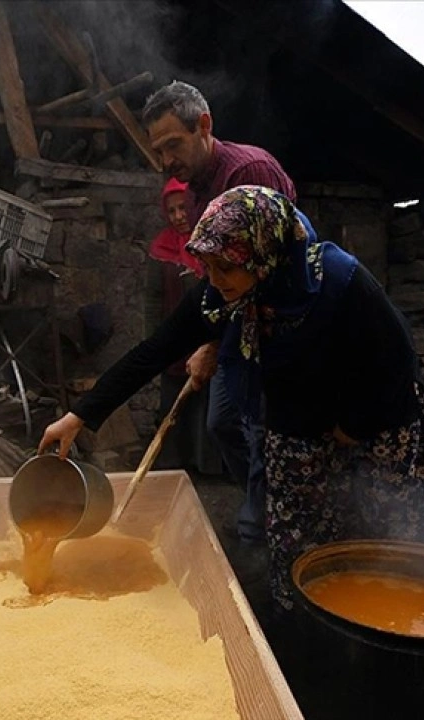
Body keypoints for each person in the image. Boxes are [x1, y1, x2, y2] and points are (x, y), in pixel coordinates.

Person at [41, 186, 424, 611]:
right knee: (298, 531)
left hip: (377, 411)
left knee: (385, 534)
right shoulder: (219, 296)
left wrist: (352, 427)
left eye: (225, 267)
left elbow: (395, 362)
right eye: (206, 266)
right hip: (296, 413)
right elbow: (154, 352)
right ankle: (304, 625)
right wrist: (80, 415)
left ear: (263, 255)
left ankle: (396, 624)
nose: (213, 279)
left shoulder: (340, 284)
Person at [142, 80, 297, 544]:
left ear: (204, 125)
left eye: (174, 144)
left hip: (277, 322)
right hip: (234, 319)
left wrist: (210, 343)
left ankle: (268, 520)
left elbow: (260, 275)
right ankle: (263, 503)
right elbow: (213, 275)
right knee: (223, 421)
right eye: (158, 150)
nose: (167, 160)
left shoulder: (248, 172)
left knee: (259, 422)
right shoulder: (194, 188)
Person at [147, 178, 221, 475]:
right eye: (172, 210)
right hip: (173, 340)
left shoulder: (210, 246)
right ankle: (173, 465)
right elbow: (151, 299)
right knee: (172, 404)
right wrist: (153, 340)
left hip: (205, 339)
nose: (179, 216)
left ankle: (207, 468)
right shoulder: (160, 248)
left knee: (205, 406)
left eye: (183, 208)